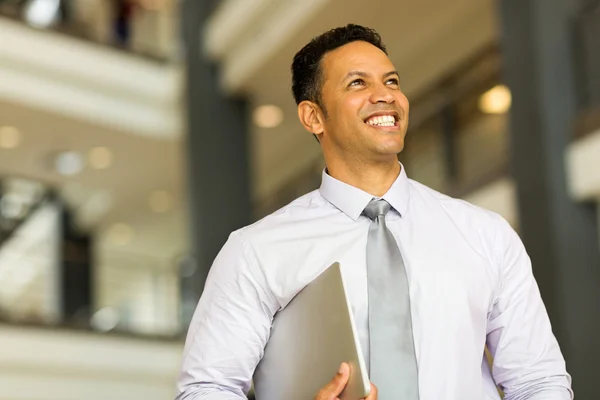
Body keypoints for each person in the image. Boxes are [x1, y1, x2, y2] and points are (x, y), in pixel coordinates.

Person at [176, 24, 573, 400]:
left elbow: (538, 380)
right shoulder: (255, 250)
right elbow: (206, 387)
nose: (385, 95)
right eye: (358, 83)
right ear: (313, 116)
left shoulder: (486, 234)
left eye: (392, 81)